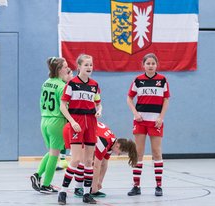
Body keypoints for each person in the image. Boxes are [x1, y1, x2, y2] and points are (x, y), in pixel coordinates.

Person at [57, 54, 102, 205]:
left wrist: (99, 109)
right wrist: (72, 121)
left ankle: (87, 194)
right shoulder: (72, 84)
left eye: (91, 65)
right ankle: (62, 192)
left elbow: (98, 103)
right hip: (77, 121)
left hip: (91, 122)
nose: (89, 67)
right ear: (79, 67)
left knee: (89, 160)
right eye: (86, 65)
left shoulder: (94, 85)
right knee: (76, 159)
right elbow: (63, 106)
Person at [126, 53, 170, 197]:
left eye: (153, 63)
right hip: (140, 121)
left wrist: (161, 117)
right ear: (143, 65)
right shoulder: (138, 80)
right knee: (138, 153)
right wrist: (135, 113)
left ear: (156, 65)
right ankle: (136, 186)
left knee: (156, 152)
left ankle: (158, 186)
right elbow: (129, 98)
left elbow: (166, 100)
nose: (150, 66)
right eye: (148, 63)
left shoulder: (162, 80)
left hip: (155, 121)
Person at [63, 121, 138, 198]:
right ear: (118, 146)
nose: (119, 154)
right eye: (121, 153)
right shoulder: (104, 142)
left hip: (81, 131)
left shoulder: (112, 142)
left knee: (87, 160)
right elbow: (96, 166)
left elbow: (104, 164)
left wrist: (99, 182)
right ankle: (78, 188)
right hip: (73, 129)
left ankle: (85, 188)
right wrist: (94, 187)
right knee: (81, 160)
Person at [30, 57, 71, 194]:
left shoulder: (46, 82)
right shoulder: (62, 86)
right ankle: (46, 184)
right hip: (57, 121)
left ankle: (37, 175)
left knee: (52, 151)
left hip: (45, 120)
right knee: (55, 155)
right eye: (65, 67)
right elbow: (65, 107)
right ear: (59, 70)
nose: (68, 69)